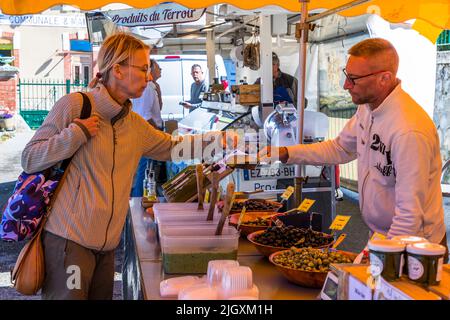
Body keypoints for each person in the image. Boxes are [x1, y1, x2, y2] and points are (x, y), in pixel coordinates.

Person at [21, 33, 234, 300]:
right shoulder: (75, 106)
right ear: (118, 70)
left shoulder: (133, 124)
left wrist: (219, 140)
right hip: (69, 242)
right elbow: (30, 157)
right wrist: (75, 134)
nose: (149, 76)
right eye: (143, 68)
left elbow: (171, 147)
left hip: (107, 248)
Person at [259, 38, 448, 255]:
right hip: (381, 238)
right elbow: (340, 148)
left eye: (354, 79)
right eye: (346, 75)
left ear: (384, 78)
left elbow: (409, 216)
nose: (345, 85)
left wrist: (379, 258)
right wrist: (286, 153)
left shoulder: (409, 131)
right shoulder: (367, 109)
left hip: (417, 249)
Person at [130, 58, 164, 197]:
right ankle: (139, 202)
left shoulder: (151, 87)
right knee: (146, 170)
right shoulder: (148, 88)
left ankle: (143, 199)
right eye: (158, 67)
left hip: (145, 132)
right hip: (149, 133)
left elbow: (158, 108)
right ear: (150, 69)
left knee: (147, 170)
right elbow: (146, 116)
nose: (160, 70)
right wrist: (158, 134)